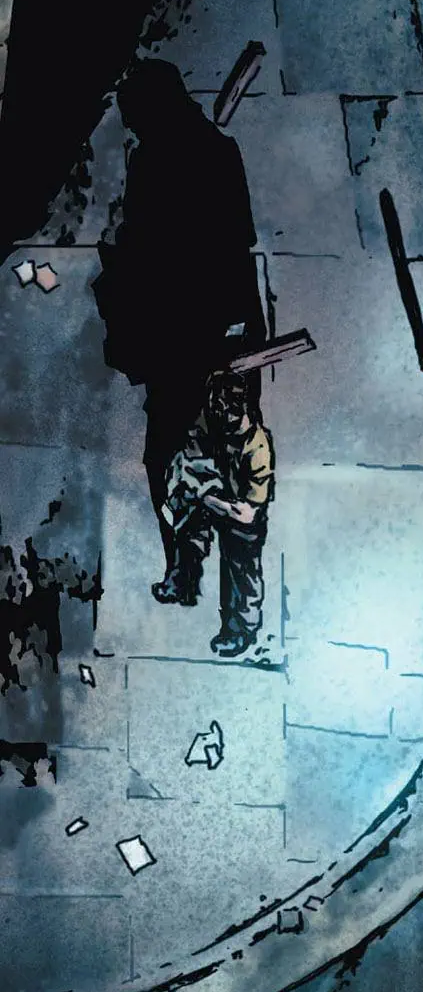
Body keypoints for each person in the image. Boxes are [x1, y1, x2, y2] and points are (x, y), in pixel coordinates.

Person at [93, 59, 266, 593]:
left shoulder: (161, 158)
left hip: (192, 334)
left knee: (174, 456)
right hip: (219, 327)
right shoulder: (214, 149)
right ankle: (223, 589)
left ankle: (186, 569)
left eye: (134, 116)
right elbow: (241, 235)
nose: (131, 127)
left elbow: (152, 245)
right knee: (222, 457)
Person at [156, 366, 275, 656]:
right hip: (215, 493)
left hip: (241, 512)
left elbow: (248, 513)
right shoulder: (210, 419)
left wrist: (209, 499)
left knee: (241, 564)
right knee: (186, 518)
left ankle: (241, 630)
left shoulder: (257, 447)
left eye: (222, 409)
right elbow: (189, 454)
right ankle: (183, 577)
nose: (216, 414)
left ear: (237, 408)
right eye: (213, 406)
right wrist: (188, 486)